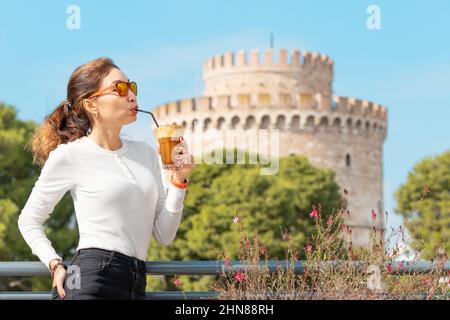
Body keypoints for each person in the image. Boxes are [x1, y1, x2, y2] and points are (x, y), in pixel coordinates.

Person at [18, 57, 195, 300]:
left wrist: (178, 180)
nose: (131, 96)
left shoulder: (146, 154)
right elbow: (28, 220)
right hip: (91, 276)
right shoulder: (70, 155)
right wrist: (55, 264)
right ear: (91, 105)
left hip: (135, 281)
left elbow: (164, 234)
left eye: (131, 87)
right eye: (119, 89)